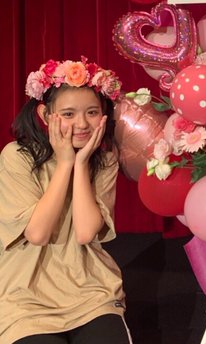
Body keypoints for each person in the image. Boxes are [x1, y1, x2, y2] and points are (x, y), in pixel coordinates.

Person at [0, 57, 132, 344]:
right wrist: (64, 163)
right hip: (25, 296)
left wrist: (81, 163)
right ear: (46, 115)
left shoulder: (105, 160)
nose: (82, 124)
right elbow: (38, 233)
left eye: (92, 112)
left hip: (90, 291)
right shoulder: (17, 157)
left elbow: (85, 233)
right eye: (69, 114)